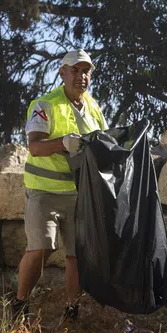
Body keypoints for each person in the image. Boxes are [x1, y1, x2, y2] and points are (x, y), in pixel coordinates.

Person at [16, 49, 107, 318]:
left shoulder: (93, 108)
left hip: (80, 193)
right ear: (62, 73)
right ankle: (20, 305)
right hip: (44, 192)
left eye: (86, 71)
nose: (81, 76)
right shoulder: (44, 104)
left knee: (77, 255)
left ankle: (71, 311)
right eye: (75, 70)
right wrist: (63, 143)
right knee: (40, 249)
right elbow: (35, 147)